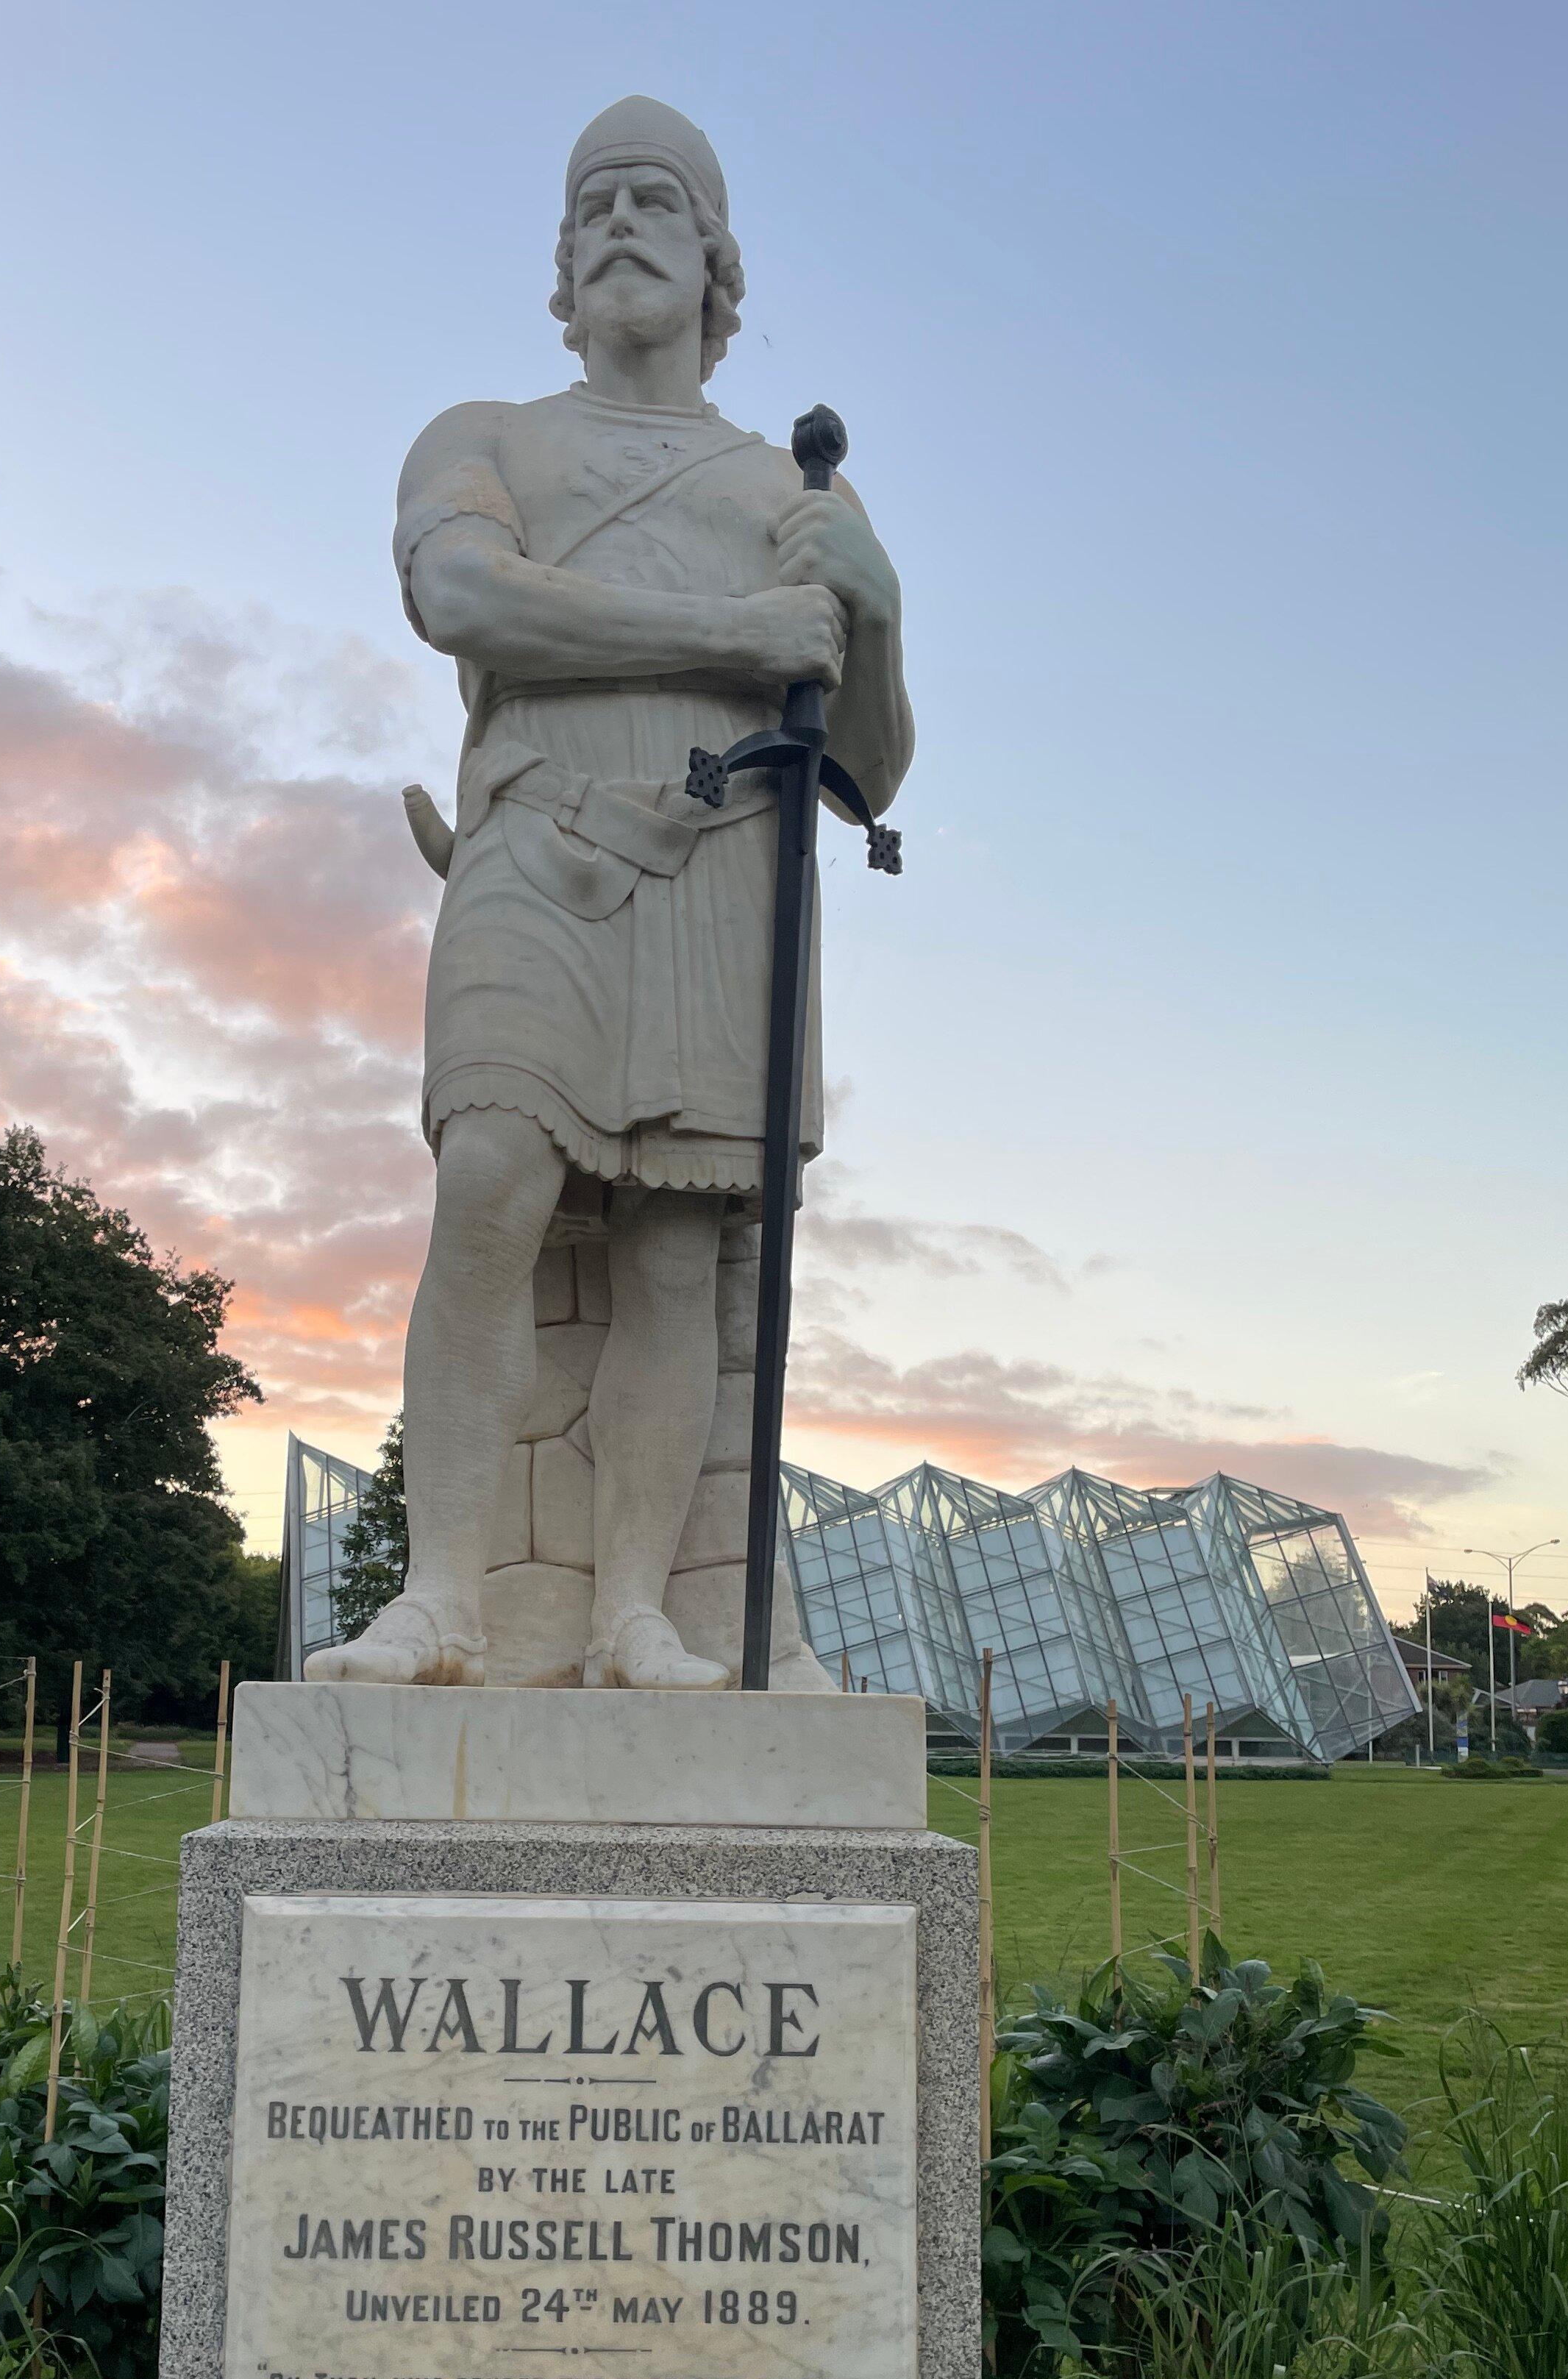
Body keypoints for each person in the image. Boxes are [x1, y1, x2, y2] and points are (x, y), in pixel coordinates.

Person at [307, 96, 911, 1690]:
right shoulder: (485, 437)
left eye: (657, 201)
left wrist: (877, 615)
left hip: (728, 881)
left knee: (673, 1252)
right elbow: (467, 598)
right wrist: (736, 636)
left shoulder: (796, 494)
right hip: (536, 848)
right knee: (489, 1176)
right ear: (563, 270)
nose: (623, 222)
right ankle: (443, 1597)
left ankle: (635, 1613)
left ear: (718, 265)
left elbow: (871, 765)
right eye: (596, 206)